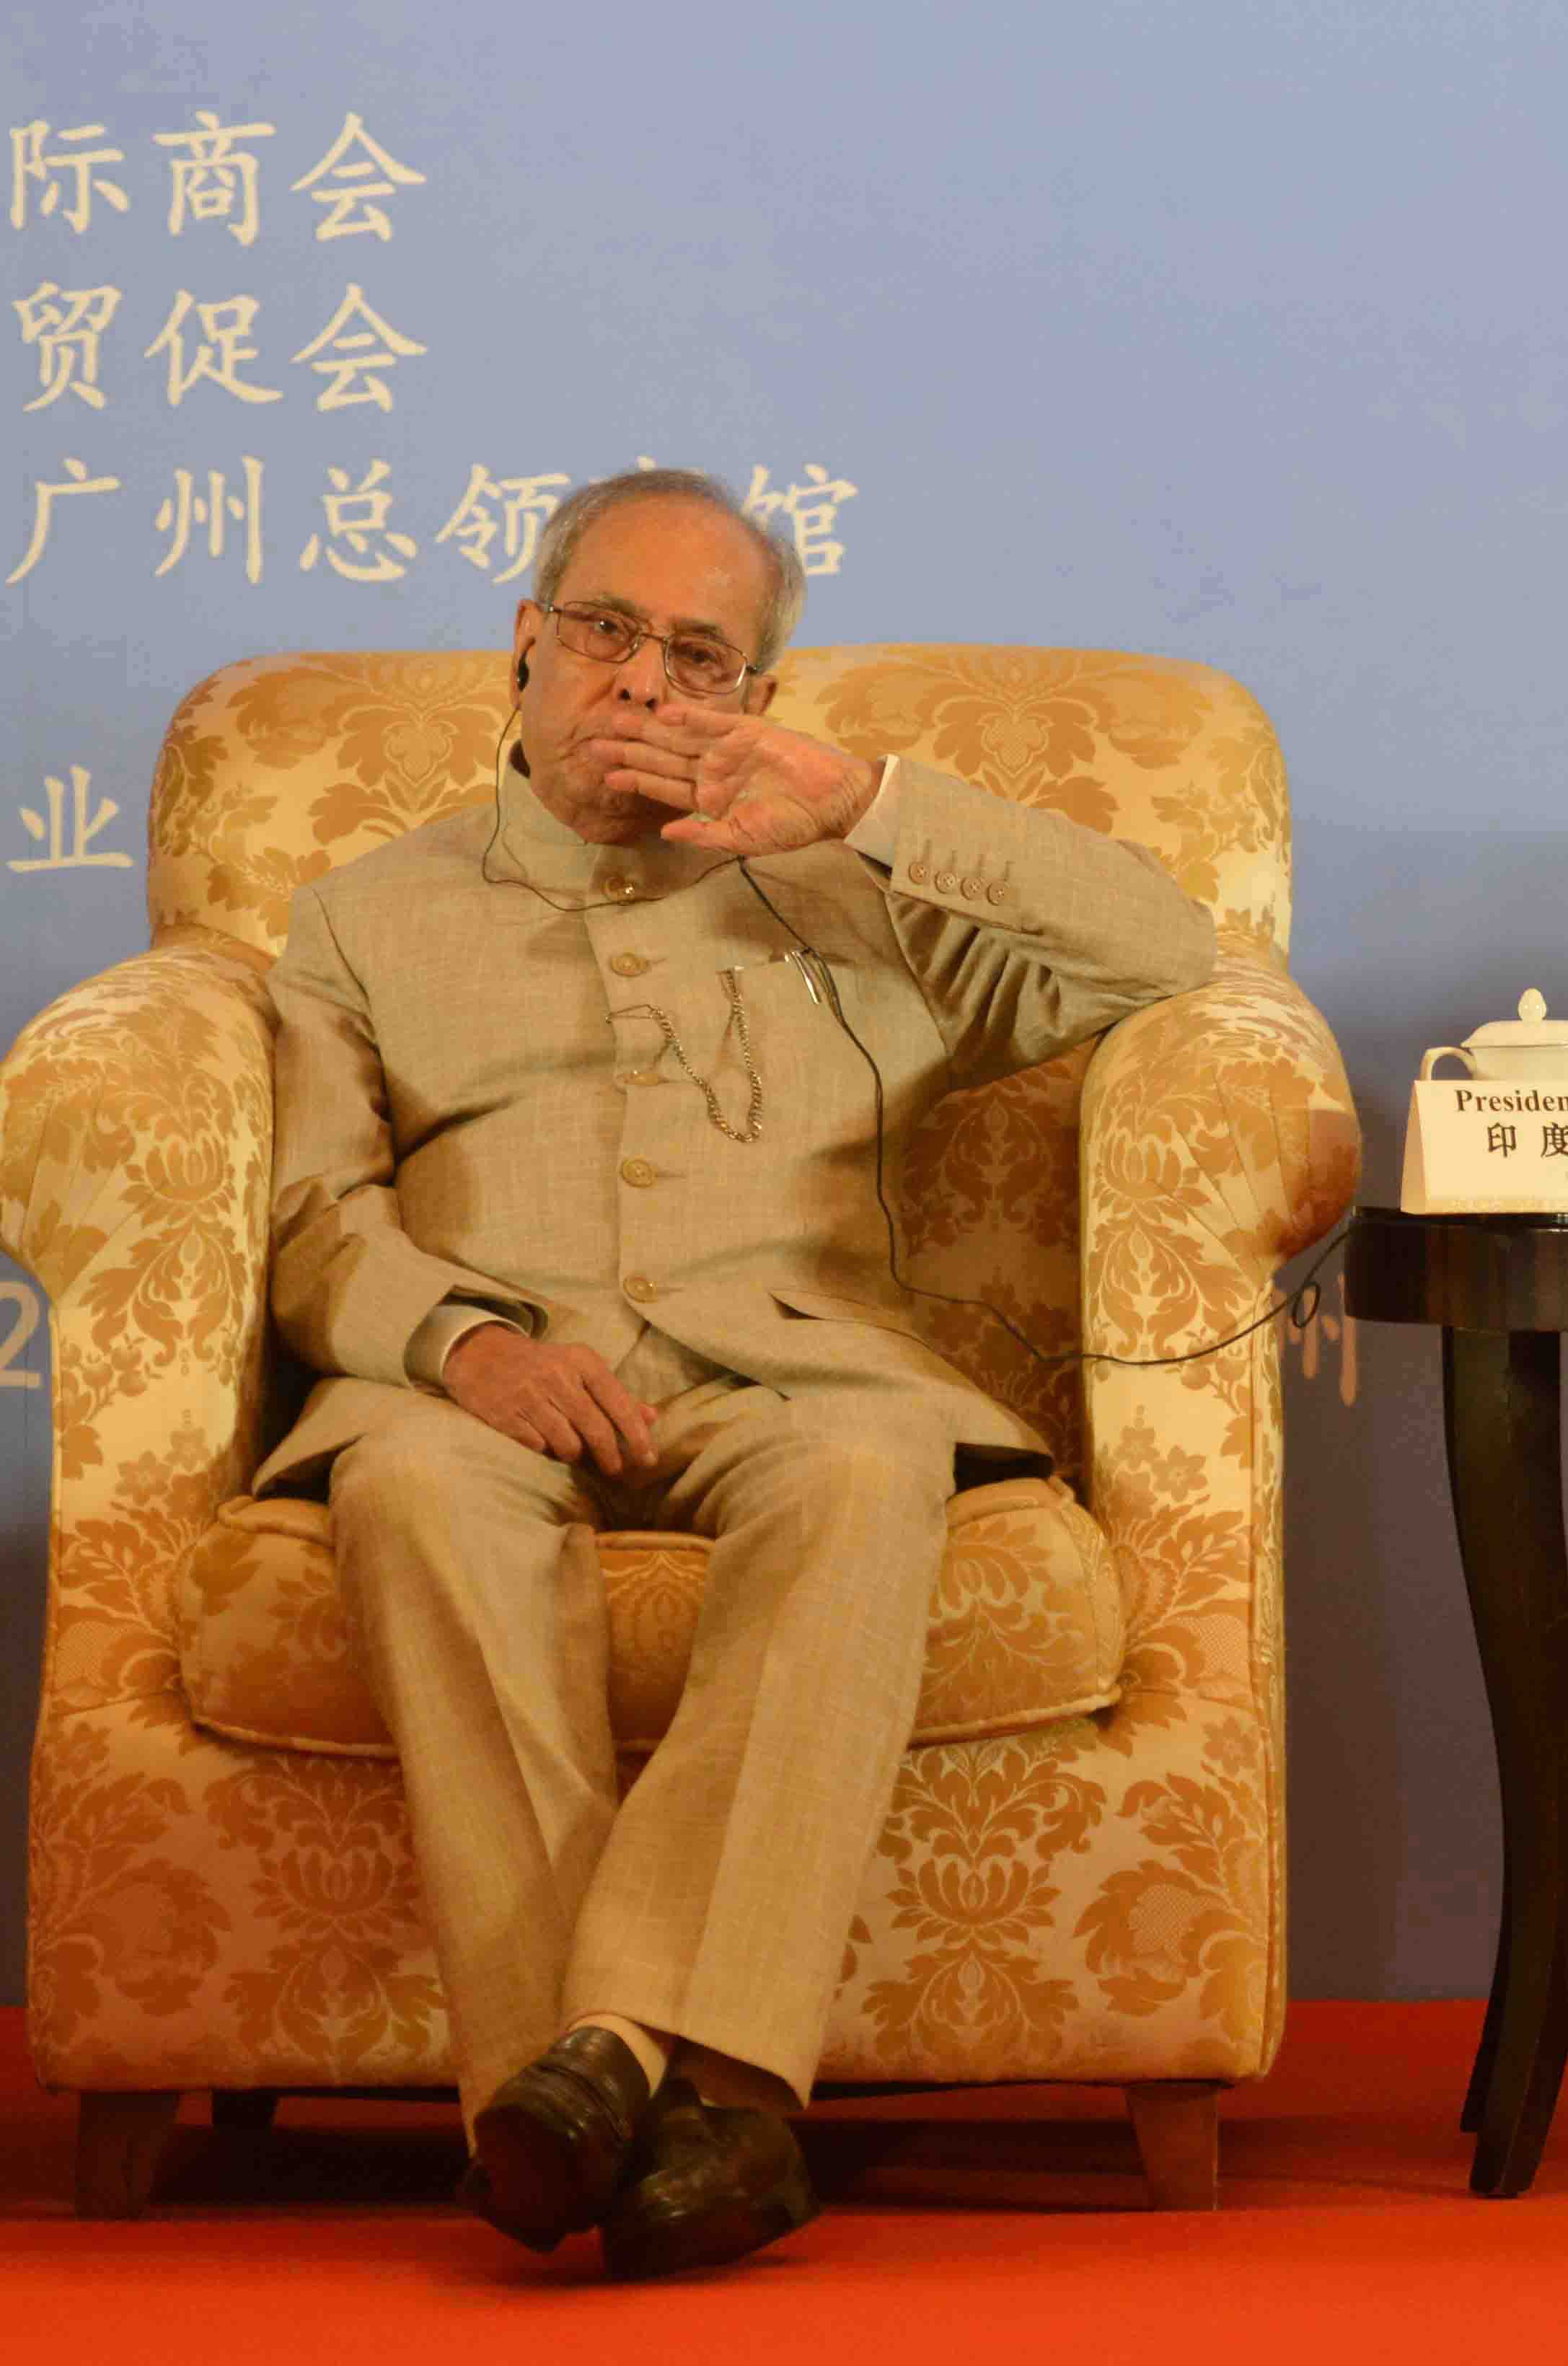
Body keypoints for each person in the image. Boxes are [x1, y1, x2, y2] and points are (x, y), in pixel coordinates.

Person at [256, 467, 1215, 2276]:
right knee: (404, 1489)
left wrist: (860, 806)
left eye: (698, 654)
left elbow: (1168, 951)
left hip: (790, 1373)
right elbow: (313, 1209)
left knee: (868, 1473)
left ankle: (584, 2073)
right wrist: (462, 1340)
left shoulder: (854, 900)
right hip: (479, 1374)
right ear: (526, 642)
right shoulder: (365, 915)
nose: (640, 678)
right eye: (607, 628)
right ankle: (716, 2114)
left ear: (754, 706)